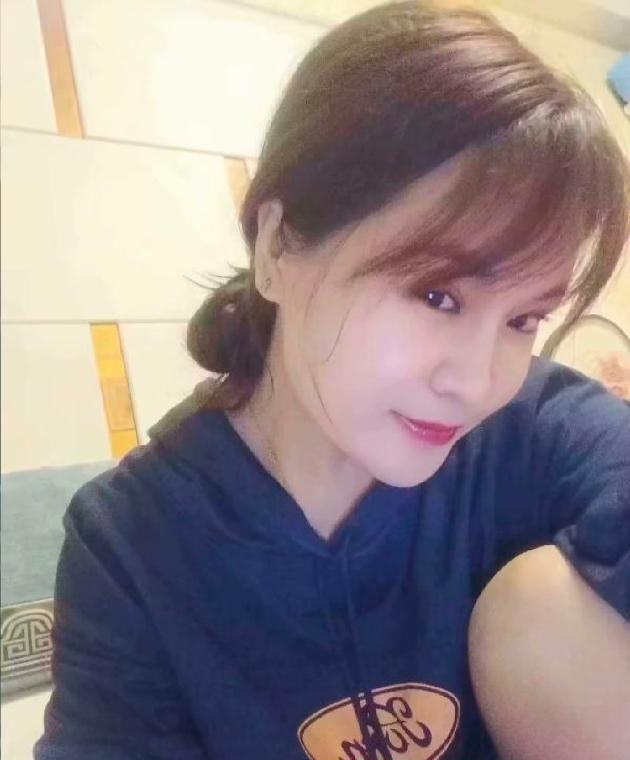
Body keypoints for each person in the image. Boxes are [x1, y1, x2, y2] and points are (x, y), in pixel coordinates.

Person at [35, 2, 630, 759]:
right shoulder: (134, 547)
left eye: (524, 320)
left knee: (542, 608)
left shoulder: (536, 429)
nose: (477, 382)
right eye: (437, 296)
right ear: (277, 247)